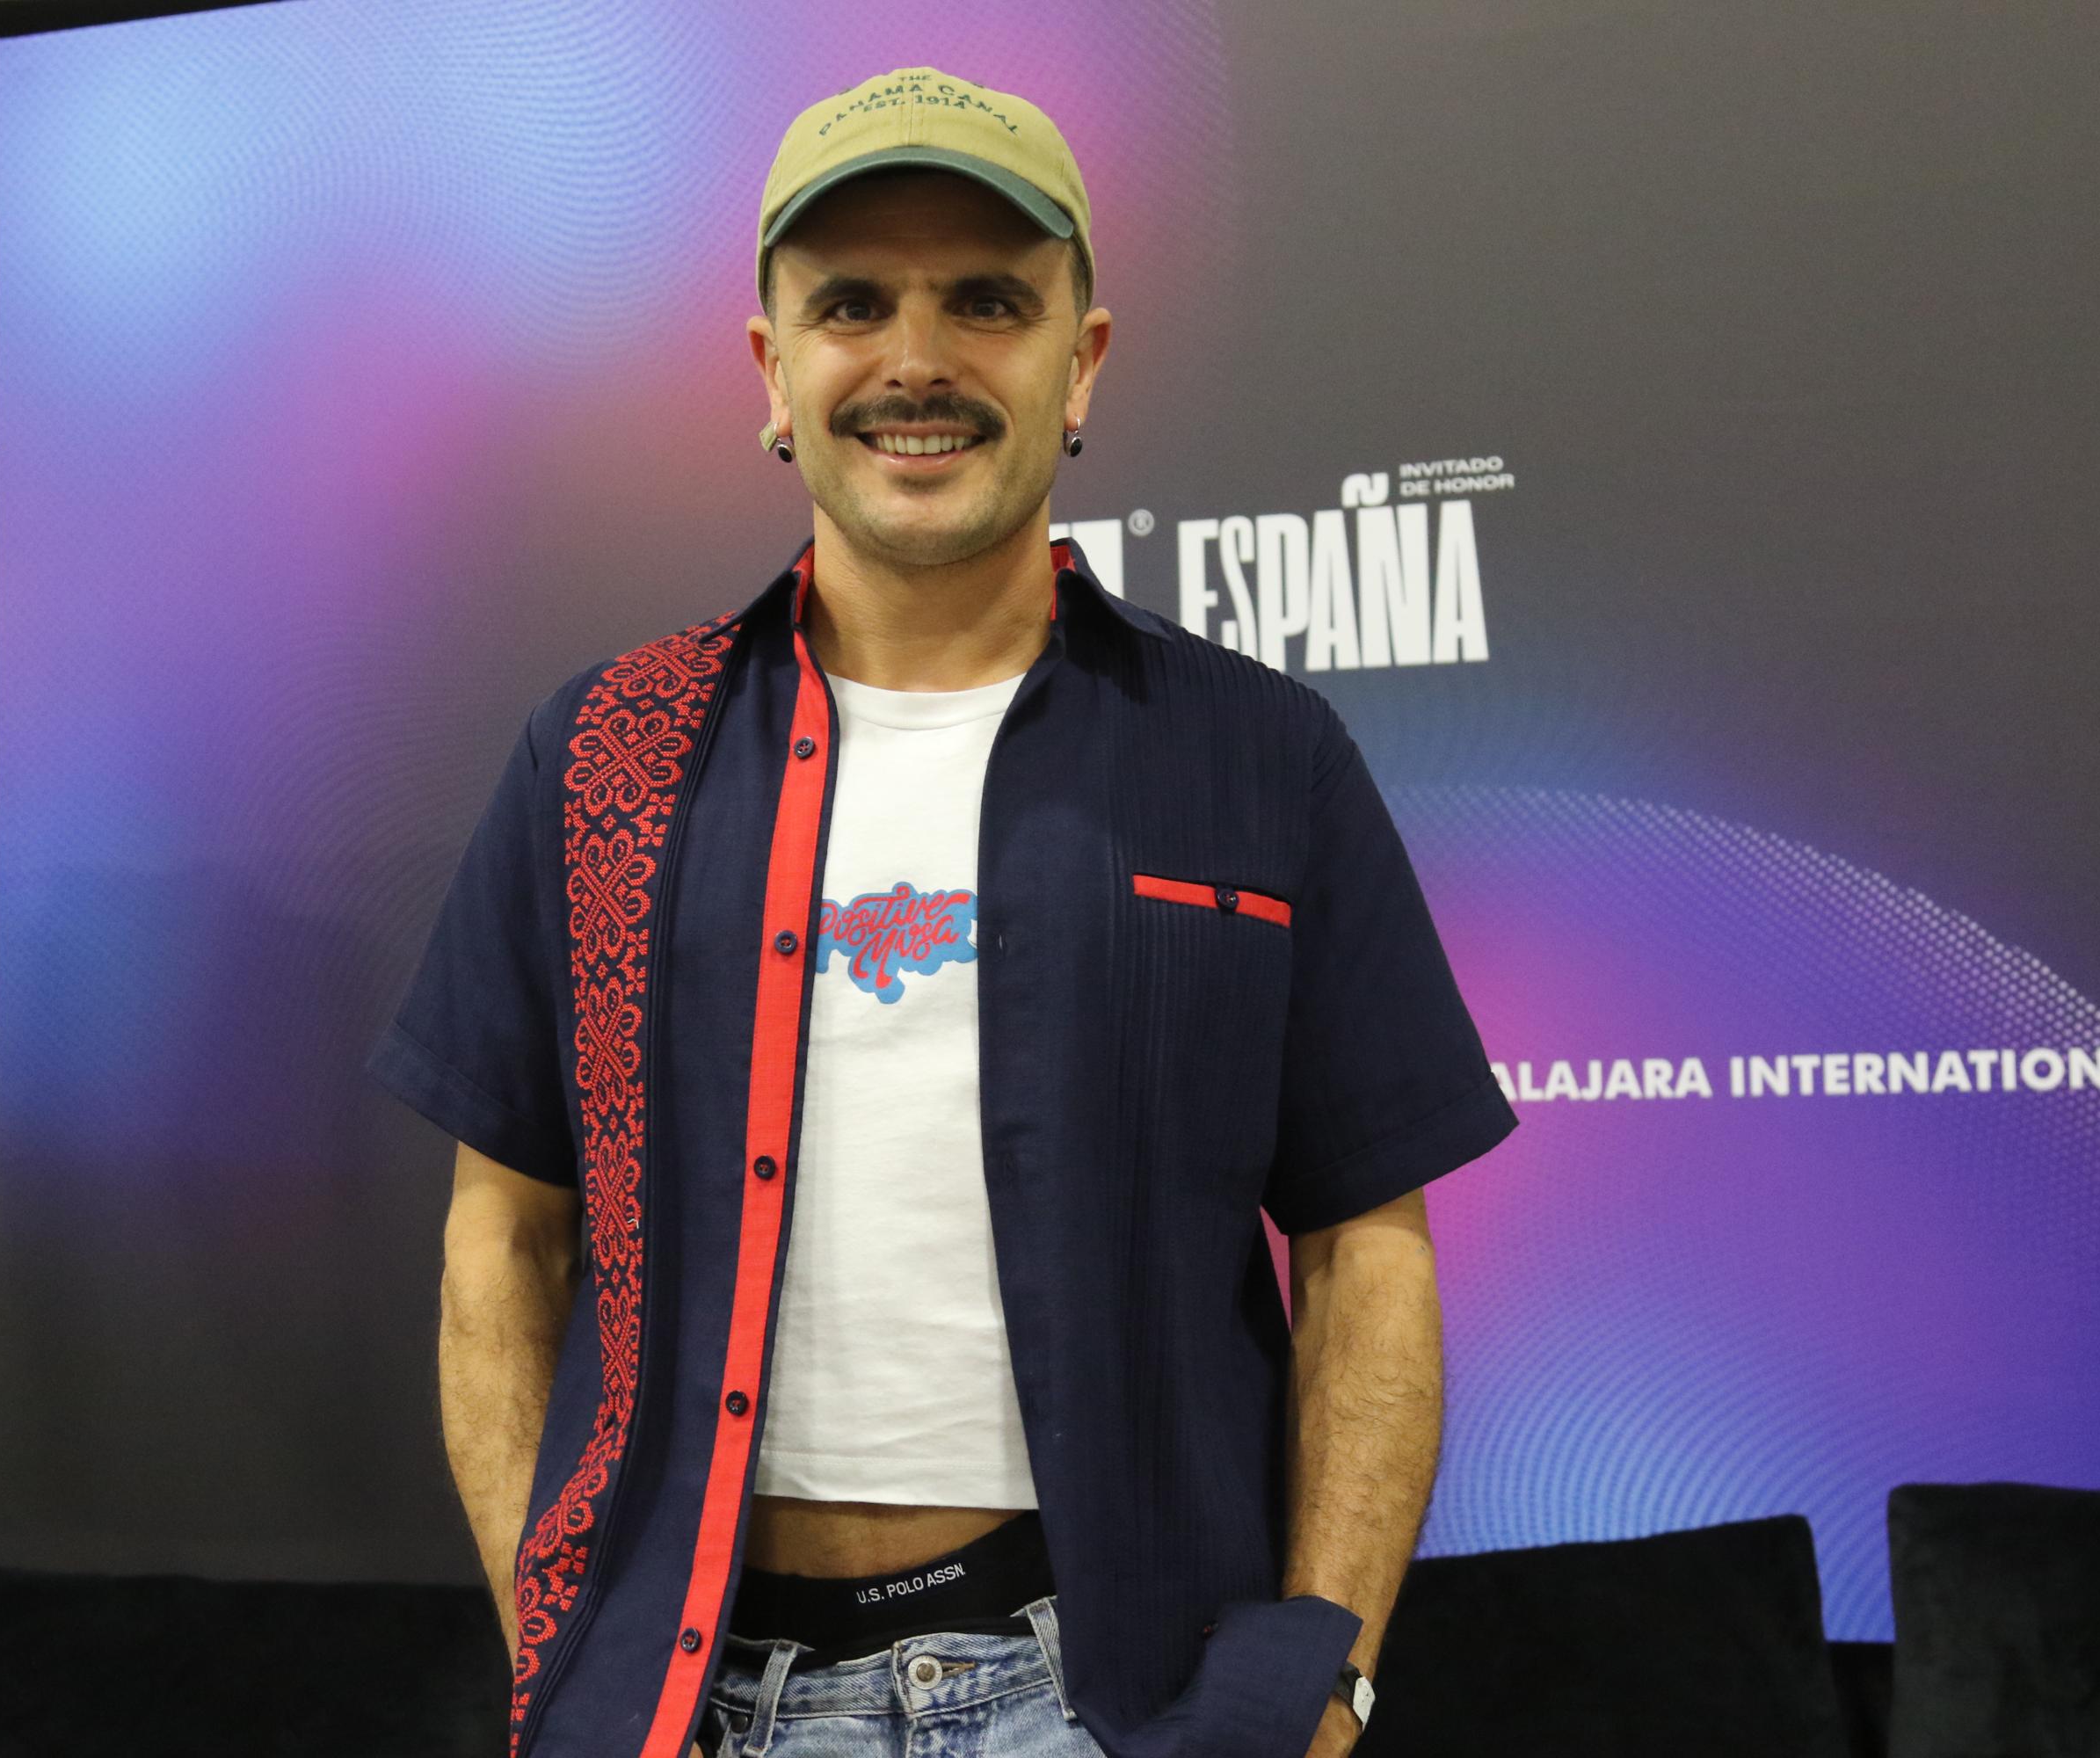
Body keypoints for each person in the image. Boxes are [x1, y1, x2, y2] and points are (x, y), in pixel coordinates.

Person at [369, 65, 1516, 1758]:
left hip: (1110, 1701)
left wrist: (1323, 1687)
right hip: (690, 1706)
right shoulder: (606, 755)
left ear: (1082, 361)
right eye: (852, 305)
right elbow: (503, 1239)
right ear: (771, 370)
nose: (916, 361)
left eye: (987, 300)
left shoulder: (1259, 757)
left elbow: (1367, 1253)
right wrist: (560, 1639)